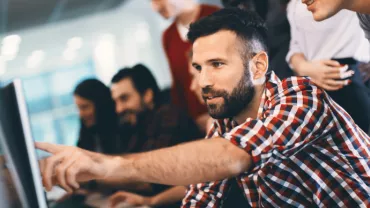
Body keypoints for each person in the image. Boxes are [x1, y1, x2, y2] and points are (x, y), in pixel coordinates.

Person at [37, 9, 370, 207]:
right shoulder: (224, 127)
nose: (203, 81)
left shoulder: (300, 98)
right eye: (198, 68)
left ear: (258, 67)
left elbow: (231, 157)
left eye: (217, 64)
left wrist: (105, 167)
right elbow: (201, 197)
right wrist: (151, 203)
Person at [107, 64, 202, 207]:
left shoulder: (169, 117)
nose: (118, 109)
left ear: (147, 95)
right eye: (116, 102)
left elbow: (151, 179)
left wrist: (91, 176)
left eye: (124, 99)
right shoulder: (137, 124)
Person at [287, 0, 370, 132]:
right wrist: (304, 67)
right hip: (311, 84)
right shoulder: (294, 6)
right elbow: (295, 45)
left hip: (348, 78)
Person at [152, 0, 219, 131]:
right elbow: (178, 86)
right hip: (195, 124)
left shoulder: (215, 15)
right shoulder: (168, 36)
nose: (154, 7)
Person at [73, 79, 120, 154]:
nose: (81, 114)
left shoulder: (124, 131)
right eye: (78, 108)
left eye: (84, 107)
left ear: (101, 105)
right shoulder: (87, 135)